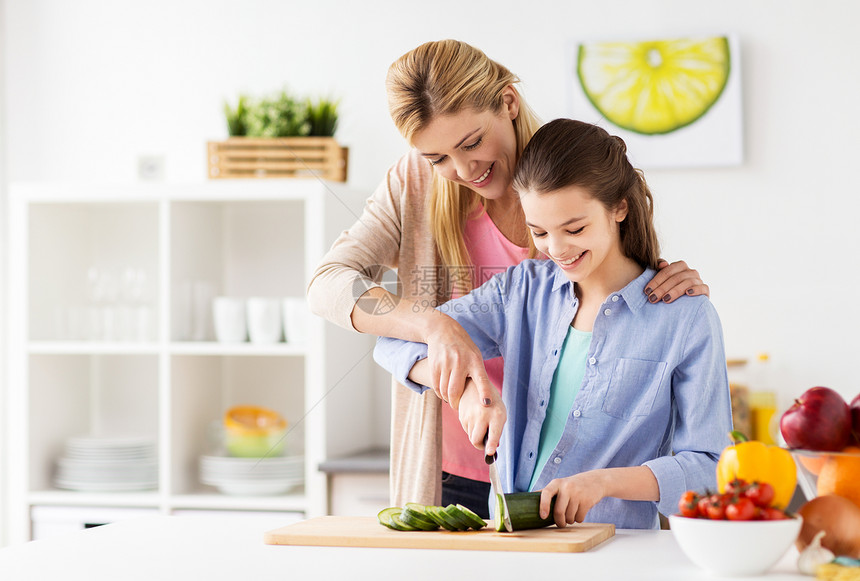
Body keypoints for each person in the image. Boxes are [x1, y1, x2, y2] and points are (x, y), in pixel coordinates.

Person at [307, 40, 709, 518]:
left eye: (472, 142)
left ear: (508, 102)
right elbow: (330, 284)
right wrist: (437, 330)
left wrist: (668, 283)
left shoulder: (570, 176)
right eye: (437, 158)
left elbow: (623, 288)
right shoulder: (416, 185)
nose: (461, 170)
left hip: (570, 483)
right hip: (451, 460)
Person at [373, 119, 732, 529]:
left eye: (575, 229)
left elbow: (710, 467)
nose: (556, 250)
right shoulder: (521, 291)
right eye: (539, 231)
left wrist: (604, 483)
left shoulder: (685, 317)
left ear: (619, 207)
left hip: (616, 553)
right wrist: (468, 388)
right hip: (511, 549)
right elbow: (393, 339)